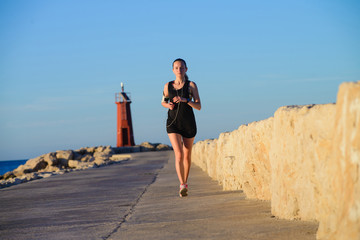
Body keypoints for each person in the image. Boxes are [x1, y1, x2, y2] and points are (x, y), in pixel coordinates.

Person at [161, 58, 201, 197]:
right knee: (178, 154)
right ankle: (182, 185)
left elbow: (199, 106)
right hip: (173, 123)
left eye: (182, 67)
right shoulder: (167, 86)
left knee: (187, 154)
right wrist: (169, 105)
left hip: (188, 123)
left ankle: (185, 182)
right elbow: (163, 101)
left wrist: (186, 100)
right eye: (176, 68)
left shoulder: (191, 85)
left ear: (186, 69)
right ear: (173, 70)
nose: (179, 70)